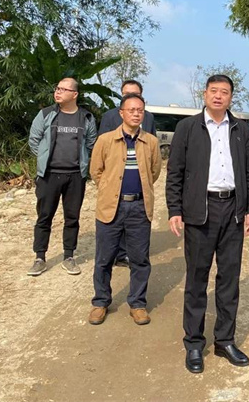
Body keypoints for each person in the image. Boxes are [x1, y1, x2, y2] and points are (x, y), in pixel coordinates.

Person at [166, 74, 249, 374]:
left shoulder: (241, 129)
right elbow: (175, 172)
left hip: (233, 210)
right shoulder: (187, 128)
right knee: (197, 279)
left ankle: (225, 340)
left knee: (229, 279)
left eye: (225, 92)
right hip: (200, 210)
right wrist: (174, 209)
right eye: (214, 91)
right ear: (205, 94)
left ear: (231, 97)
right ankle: (194, 343)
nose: (219, 96)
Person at [88, 93, 162, 326]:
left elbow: (154, 171)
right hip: (111, 206)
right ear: (121, 113)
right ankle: (100, 302)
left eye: (140, 110)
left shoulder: (151, 142)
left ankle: (137, 304)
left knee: (140, 259)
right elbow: (96, 171)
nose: (136, 114)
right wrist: (110, 189)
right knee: (104, 258)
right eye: (131, 110)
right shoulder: (105, 140)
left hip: (139, 207)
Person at [27, 77, 97, 276]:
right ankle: (40, 257)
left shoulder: (86, 118)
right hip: (49, 175)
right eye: (57, 88)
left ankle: (69, 256)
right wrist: (45, 159)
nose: (58, 92)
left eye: (63, 89)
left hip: (75, 176)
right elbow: (34, 140)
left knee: (72, 217)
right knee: (44, 216)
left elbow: (91, 143)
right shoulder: (45, 114)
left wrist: (82, 163)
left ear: (74, 94)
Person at [98, 79, 157, 268]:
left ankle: (128, 255)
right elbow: (97, 167)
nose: (135, 113)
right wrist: (108, 183)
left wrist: (144, 179)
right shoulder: (109, 117)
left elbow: (154, 168)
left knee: (138, 248)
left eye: (136, 94)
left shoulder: (148, 118)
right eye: (126, 93)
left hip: (139, 194)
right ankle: (117, 255)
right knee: (106, 248)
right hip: (113, 187)